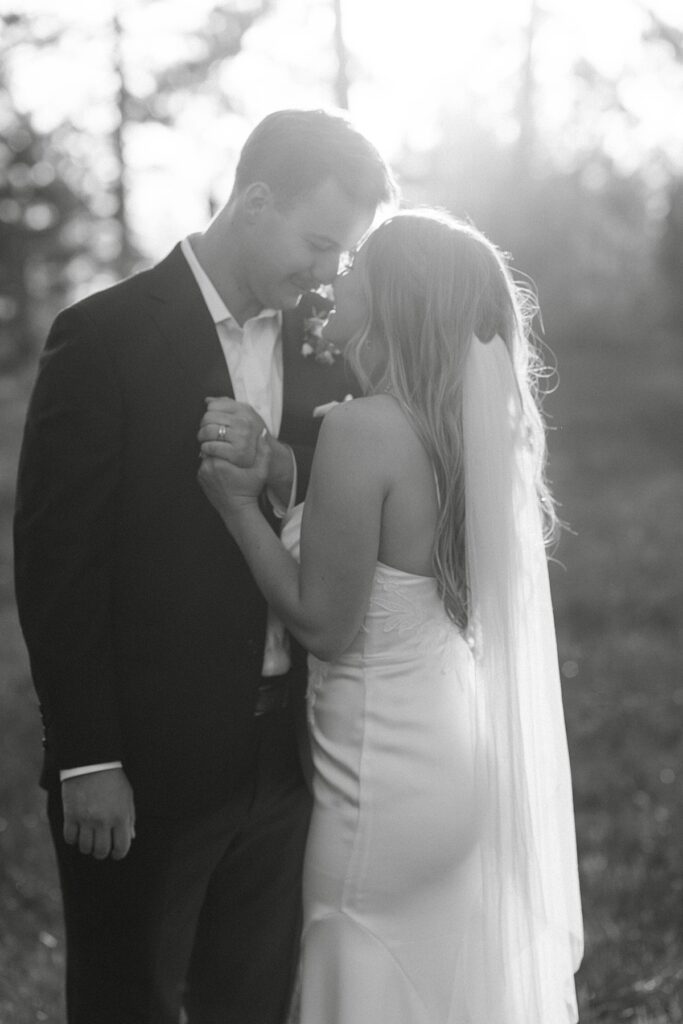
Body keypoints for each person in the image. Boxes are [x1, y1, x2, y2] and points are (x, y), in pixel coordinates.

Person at [13, 108, 396, 1024]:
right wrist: (89, 759)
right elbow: (59, 567)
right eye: (317, 243)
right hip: (148, 760)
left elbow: (352, 492)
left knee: (252, 1003)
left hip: (288, 756)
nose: (325, 272)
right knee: (127, 1001)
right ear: (255, 201)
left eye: (341, 255)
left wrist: (281, 465)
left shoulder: (324, 350)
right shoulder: (102, 335)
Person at [197, 209, 584, 1024]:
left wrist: (235, 506)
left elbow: (324, 624)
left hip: (378, 777)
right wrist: (282, 471)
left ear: (391, 299)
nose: (338, 278)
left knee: (356, 961)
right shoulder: (461, 430)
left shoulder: (363, 427)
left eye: (357, 267)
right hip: (449, 758)